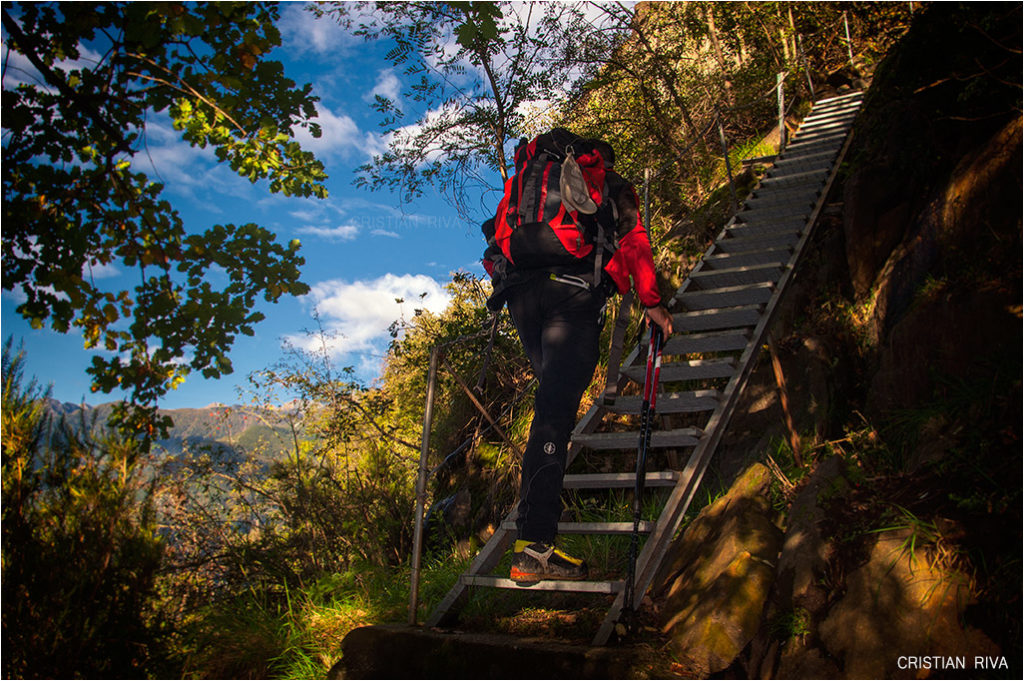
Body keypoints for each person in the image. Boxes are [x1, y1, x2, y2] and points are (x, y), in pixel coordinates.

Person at [482, 130, 673, 584]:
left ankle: (534, 537)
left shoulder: (526, 183)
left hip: (522, 299)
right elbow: (633, 240)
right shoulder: (610, 183)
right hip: (574, 297)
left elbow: (493, 245)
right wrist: (652, 301)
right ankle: (534, 547)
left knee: (550, 409)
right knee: (554, 414)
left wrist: (515, 283)